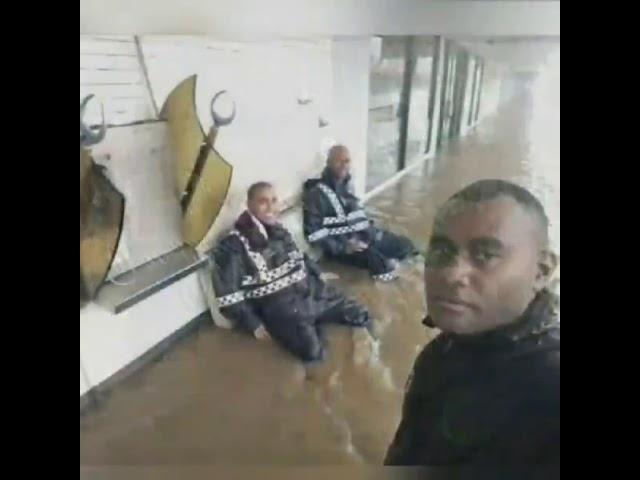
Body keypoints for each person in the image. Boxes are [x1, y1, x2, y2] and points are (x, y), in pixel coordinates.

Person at [384, 179, 560, 465]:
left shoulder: (551, 393)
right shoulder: (443, 350)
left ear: (541, 271)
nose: (451, 274)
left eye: (486, 255)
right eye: (442, 251)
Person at [210, 182, 371, 363]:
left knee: (361, 314)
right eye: (263, 201)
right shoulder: (233, 244)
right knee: (314, 354)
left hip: (312, 292)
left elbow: (299, 256)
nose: (271, 206)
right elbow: (228, 296)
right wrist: (253, 325)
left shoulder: (280, 231)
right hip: (282, 311)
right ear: (249, 205)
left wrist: (317, 273)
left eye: (274, 200)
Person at [303, 145, 417, 282]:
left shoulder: (346, 186)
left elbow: (358, 219)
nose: (344, 165)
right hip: (344, 248)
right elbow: (313, 233)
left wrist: (376, 234)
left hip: (367, 237)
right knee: (382, 267)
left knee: (406, 246)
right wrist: (344, 247)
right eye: (338, 161)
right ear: (328, 163)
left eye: (347, 161)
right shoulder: (316, 194)